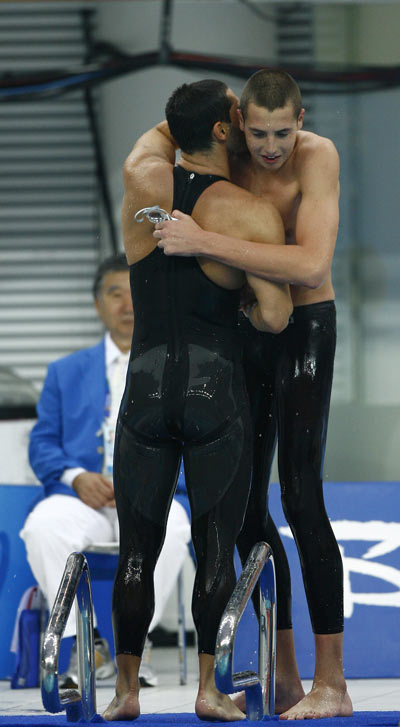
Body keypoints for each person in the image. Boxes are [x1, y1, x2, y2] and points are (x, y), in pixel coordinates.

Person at [153, 68, 353, 720]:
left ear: (301, 119)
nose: (271, 147)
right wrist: (210, 106)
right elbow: (156, 142)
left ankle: (334, 682)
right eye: (259, 131)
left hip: (305, 331)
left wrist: (203, 240)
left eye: (283, 132)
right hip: (245, 332)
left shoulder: (318, 155)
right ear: (236, 122)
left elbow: (310, 264)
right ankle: (286, 675)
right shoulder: (226, 141)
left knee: (301, 494)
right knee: (241, 509)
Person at [103, 79, 292, 722]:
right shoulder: (249, 213)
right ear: (226, 127)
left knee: (137, 547)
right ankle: (210, 690)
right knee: (214, 544)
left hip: (147, 386)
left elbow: (159, 137)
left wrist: (192, 118)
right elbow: (273, 315)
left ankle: (126, 692)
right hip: (216, 390)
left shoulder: (140, 181)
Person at [20, 253, 191, 689]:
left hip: (151, 495)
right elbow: (41, 444)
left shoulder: (178, 367)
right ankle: (86, 645)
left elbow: (196, 443)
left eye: (134, 294)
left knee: (174, 524)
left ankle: (138, 642)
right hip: (84, 498)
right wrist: (76, 476)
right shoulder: (65, 371)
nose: (127, 305)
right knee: (43, 526)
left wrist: (150, 481)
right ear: (98, 304)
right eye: (115, 294)